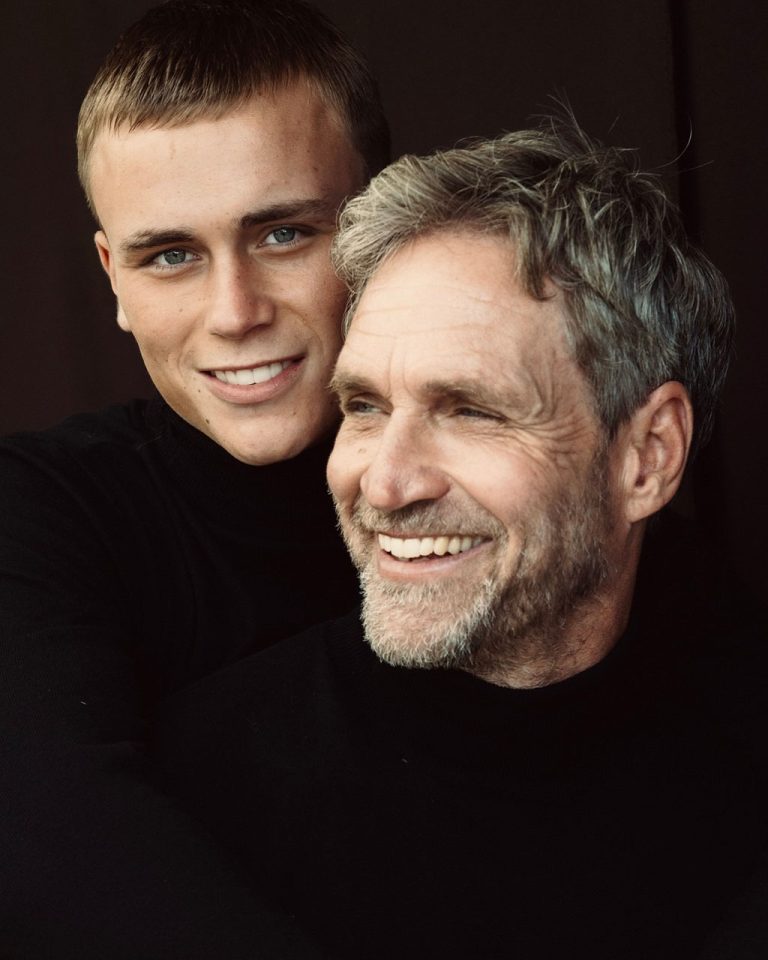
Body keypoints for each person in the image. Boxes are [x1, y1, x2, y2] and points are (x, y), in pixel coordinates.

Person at [153, 117, 768, 959]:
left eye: (470, 410)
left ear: (648, 455)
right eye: (364, 407)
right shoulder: (200, 787)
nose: (385, 484)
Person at [0, 1, 388, 956]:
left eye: (284, 234)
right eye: (170, 256)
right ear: (114, 279)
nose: (234, 311)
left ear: (387, 227)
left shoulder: (522, 472)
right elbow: (57, 850)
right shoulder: (41, 510)